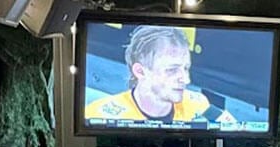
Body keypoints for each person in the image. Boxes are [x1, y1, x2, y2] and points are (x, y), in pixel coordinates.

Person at [85, 26, 236, 124]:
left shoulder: (199, 104)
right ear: (140, 71)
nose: (186, 79)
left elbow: (233, 130)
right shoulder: (99, 114)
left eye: (186, 68)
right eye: (172, 70)